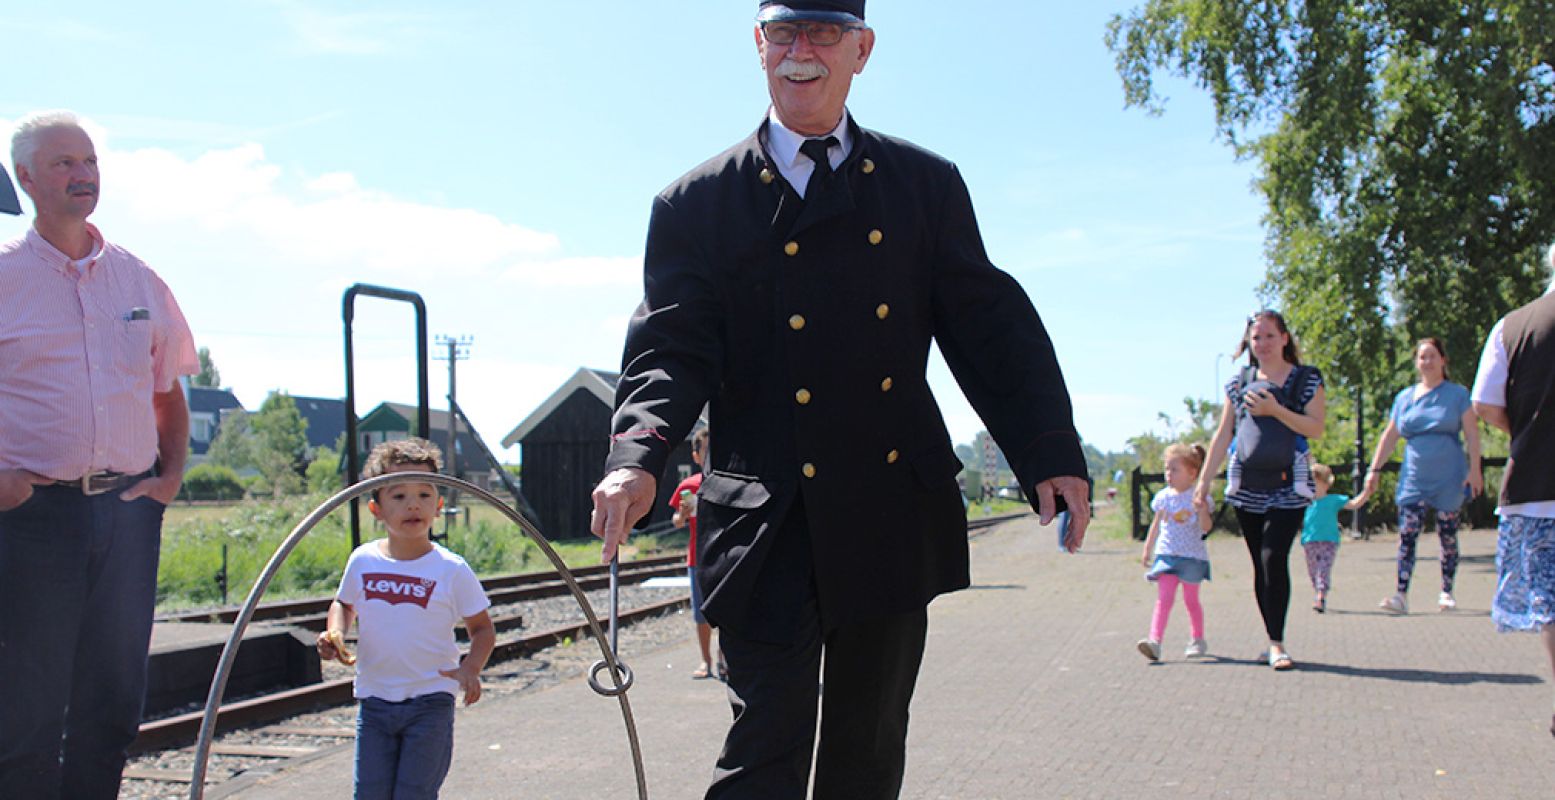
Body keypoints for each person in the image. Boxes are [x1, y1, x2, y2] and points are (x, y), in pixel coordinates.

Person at [588, 2, 1091, 796]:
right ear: (757, 45)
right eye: (783, 33)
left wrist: (1048, 450)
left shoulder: (923, 186)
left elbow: (989, 327)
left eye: (823, 34)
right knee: (763, 746)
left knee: (867, 748)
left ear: (862, 50)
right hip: (765, 516)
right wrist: (636, 457)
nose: (800, 53)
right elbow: (670, 350)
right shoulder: (695, 204)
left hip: (887, 506)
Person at [0, 110, 199, 798]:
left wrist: (170, 477)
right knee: (23, 711)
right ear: (25, 179)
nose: (82, 176)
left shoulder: (138, 279)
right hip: (31, 521)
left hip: (127, 513)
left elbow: (168, 391)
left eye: (89, 163)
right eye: (62, 164)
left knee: (112, 704)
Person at [318, 438, 496, 799]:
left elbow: (482, 629)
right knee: (369, 793)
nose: (413, 504)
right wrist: (334, 632)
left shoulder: (450, 569)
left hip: (430, 699)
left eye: (424, 495)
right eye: (398, 496)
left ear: (439, 505)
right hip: (376, 699)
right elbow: (344, 603)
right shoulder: (363, 560)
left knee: (414, 793)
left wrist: (471, 669)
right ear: (376, 508)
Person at [1196, 311, 1326, 671]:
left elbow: (1316, 428)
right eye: (1256, 338)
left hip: (1290, 484)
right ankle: (1272, 638)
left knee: (1274, 556)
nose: (1263, 344)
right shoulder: (1239, 383)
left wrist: (1276, 409)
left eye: (1269, 336)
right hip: (1247, 485)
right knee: (1259, 564)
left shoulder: (1306, 379)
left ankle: (1277, 643)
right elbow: (1223, 434)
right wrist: (1204, 482)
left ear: (1284, 338)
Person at [1470, 243, 1555, 738]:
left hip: (1536, 483)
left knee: (1550, 599)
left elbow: (1485, 402)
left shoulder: (1513, 325)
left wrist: (1522, 431)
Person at [1352, 337, 1483, 614]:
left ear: (1443, 360)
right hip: (1414, 475)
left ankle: (1446, 591)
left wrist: (1475, 469)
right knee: (1407, 533)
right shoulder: (1404, 398)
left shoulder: (1458, 395)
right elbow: (1390, 435)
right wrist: (1373, 470)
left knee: (1447, 533)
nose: (1427, 362)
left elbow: (1472, 433)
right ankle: (1401, 593)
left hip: (1449, 475)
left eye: (1432, 356)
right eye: (1422, 357)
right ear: (1416, 362)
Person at [1137, 443, 1213, 661]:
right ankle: (1155, 642)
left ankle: (1197, 639)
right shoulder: (1163, 497)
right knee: (1164, 599)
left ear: (1192, 473)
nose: (1169, 474)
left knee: (1191, 600)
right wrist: (1148, 548)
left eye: (1174, 469)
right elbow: (1156, 524)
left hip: (1192, 557)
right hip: (1167, 554)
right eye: (1167, 469)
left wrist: (1203, 511)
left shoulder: (1198, 497)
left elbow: (1206, 527)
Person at [670, 427, 722, 680]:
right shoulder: (688, 486)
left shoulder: (726, 484)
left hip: (725, 558)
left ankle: (725, 660)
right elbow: (677, 522)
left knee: (726, 612)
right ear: (696, 456)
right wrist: (682, 514)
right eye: (706, 449)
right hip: (697, 558)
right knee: (700, 614)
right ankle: (706, 661)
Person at [1301, 464, 1364, 613]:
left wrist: (1367, 492)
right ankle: (1318, 592)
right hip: (1310, 540)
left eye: (1314, 482)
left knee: (1323, 569)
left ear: (1325, 484)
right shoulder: (1305, 501)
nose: (1311, 486)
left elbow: (1354, 504)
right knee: (1313, 570)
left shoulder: (1333, 500)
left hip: (1329, 541)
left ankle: (1320, 596)